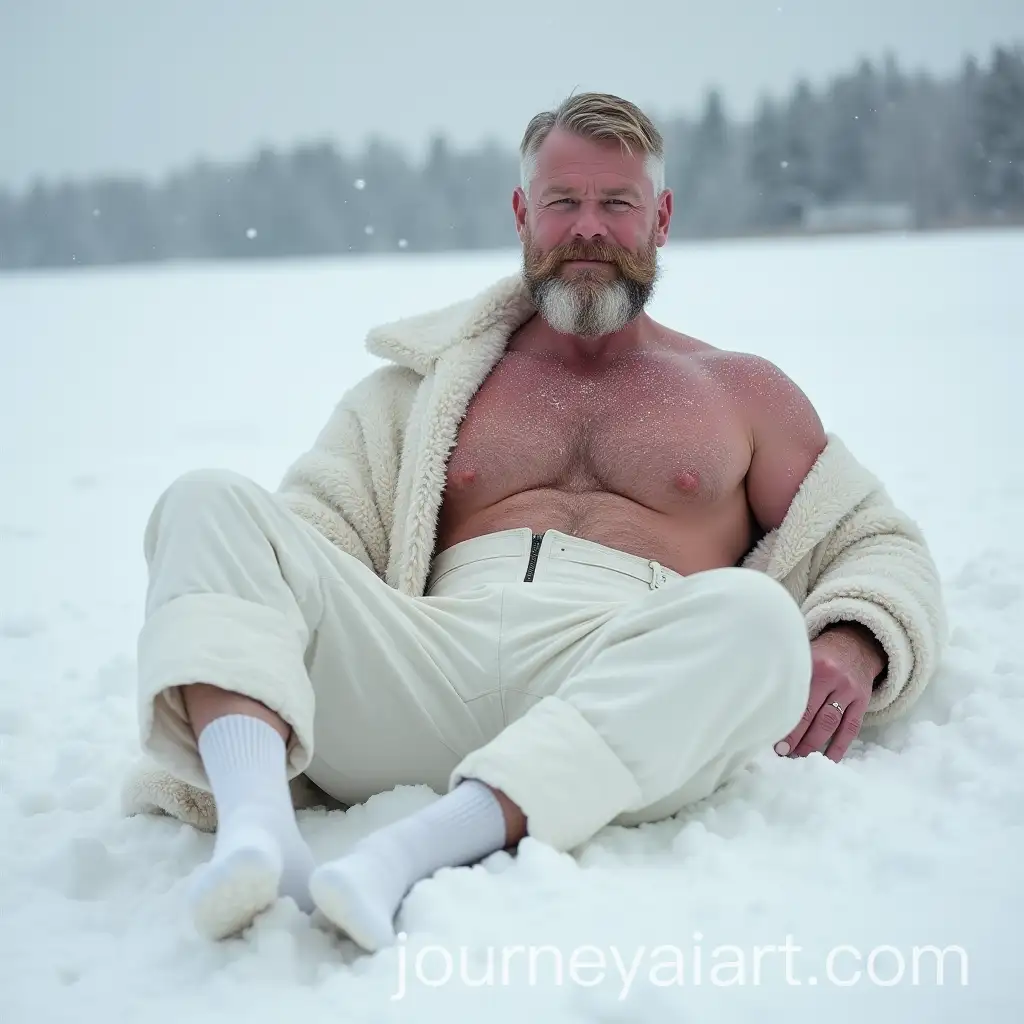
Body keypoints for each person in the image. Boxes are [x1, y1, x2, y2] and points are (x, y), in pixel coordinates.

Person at [123, 92, 947, 951]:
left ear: (661, 219)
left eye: (617, 203)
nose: (588, 227)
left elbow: (875, 540)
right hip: (423, 668)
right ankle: (259, 835)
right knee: (207, 499)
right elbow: (309, 531)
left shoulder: (739, 392)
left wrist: (854, 638)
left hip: (619, 681)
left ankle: (414, 851)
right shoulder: (426, 386)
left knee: (757, 619)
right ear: (524, 215)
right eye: (563, 202)